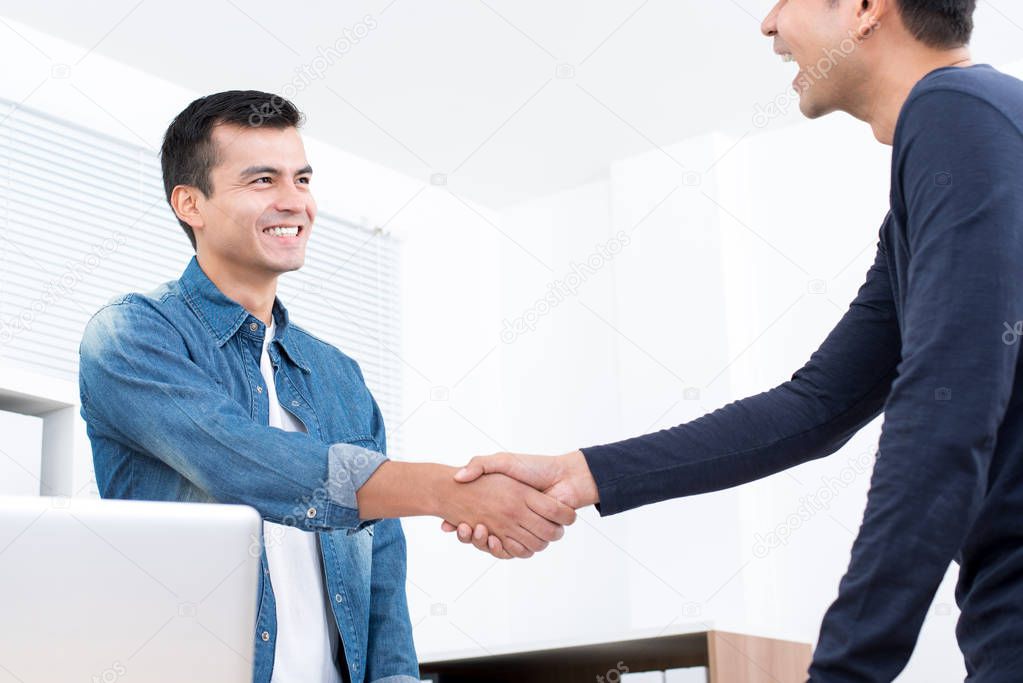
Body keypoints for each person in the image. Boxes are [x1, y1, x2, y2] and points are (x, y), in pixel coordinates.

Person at [445, 0, 1023, 679]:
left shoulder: (959, 111)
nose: (768, 24)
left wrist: (844, 669)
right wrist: (580, 473)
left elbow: (940, 410)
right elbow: (815, 405)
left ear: (867, 9)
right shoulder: (960, 148)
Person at [77, 90, 575, 683]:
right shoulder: (131, 334)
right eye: (262, 180)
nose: (294, 201)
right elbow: (243, 462)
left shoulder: (337, 374)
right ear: (191, 204)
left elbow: (382, 567)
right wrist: (449, 490)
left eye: (302, 178)